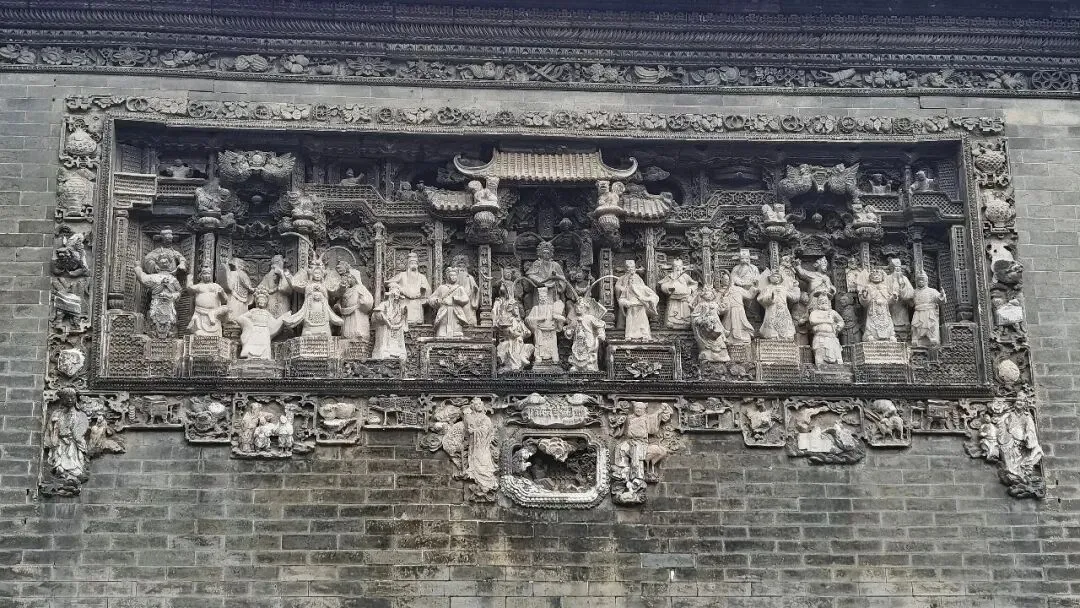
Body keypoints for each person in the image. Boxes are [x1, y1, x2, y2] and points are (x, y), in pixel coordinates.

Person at [134, 258, 182, 339]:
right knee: (155, 322)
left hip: (169, 306)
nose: (164, 263)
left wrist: (137, 267)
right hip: (157, 304)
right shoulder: (155, 277)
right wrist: (137, 268)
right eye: (162, 261)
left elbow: (179, 292)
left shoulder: (172, 279)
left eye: (166, 261)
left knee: (169, 324)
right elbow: (142, 278)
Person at [235, 287, 284, 359]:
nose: (261, 302)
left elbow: (274, 323)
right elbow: (240, 318)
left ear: (266, 302)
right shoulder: (253, 311)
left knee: (264, 344)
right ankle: (250, 355)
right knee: (252, 344)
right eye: (260, 300)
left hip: (264, 331)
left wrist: (283, 318)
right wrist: (248, 325)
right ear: (257, 301)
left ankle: (264, 356)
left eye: (263, 300)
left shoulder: (267, 313)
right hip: (254, 330)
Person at [615, 260, 659, 341]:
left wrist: (645, 299)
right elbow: (620, 295)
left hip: (641, 308)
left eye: (632, 267)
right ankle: (629, 336)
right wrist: (625, 296)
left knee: (642, 324)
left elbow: (653, 296)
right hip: (630, 308)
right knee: (630, 323)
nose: (632, 280)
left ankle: (644, 336)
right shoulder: (622, 279)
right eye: (628, 267)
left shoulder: (641, 285)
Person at [387, 252, 431, 324]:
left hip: (417, 303)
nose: (414, 265)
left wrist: (422, 293)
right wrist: (401, 289)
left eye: (415, 263)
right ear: (408, 265)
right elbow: (389, 283)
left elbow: (428, 291)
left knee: (417, 321)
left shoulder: (422, 277)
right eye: (411, 263)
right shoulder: (402, 275)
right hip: (404, 302)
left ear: (417, 265)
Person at [525, 286, 565, 366]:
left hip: (551, 329)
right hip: (539, 330)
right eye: (541, 297)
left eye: (544, 297)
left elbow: (558, 316)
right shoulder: (535, 308)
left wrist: (558, 319)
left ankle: (554, 357)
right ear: (538, 298)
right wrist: (538, 319)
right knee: (539, 345)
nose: (542, 298)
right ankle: (539, 357)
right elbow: (527, 319)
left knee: (552, 345)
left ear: (547, 298)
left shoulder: (551, 308)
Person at [565, 298, 606, 372]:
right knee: (576, 352)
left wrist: (601, 333)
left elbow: (599, 325)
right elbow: (571, 328)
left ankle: (590, 364)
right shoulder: (574, 319)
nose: (578, 309)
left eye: (581, 307)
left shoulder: (589, 318)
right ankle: (576, 366)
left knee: (589, 351)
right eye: (577, 307)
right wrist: (569, 332)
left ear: (585, 309)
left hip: (588, 338)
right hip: (577, 340)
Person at [429, 267, 472, 339]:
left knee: (457, 325)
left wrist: (457, 299)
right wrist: (437, 301)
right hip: (444, 310)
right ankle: (442, 333)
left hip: (456, 310)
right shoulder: (442, 288)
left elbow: (466, 299)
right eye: (451, 275)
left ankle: (456, 333)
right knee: (443, 325)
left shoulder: (459, 288)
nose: (453, 277)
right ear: (448, 277)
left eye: (455, 275)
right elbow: (431, 298)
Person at [186, 266, 229, 337]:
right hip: (200, 312)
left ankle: (212, 314)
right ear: (201, 275)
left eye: (208, 273)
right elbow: (189, 290)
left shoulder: (216, 286)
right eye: (204, 273)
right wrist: (189, 278)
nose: (206, 276)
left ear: (211, 275)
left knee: (226, 309)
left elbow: (225, 299)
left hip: (214, 314)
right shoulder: (199, 286)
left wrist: (222, 293)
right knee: (198, 332)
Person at [691, 286, 731, 363]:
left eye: (710, 294)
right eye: (707, 294)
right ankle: (708, 355)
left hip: (717, 325)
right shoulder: (701, 305)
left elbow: (723, 310)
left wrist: (725, 298)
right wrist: (702, 321)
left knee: (719, 340)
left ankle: (722, 355)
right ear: (703, 295)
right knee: (708, 342)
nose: (709, 296)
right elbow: (695, 316)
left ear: (713, 295)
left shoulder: (715, 304)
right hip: (706, 327)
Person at [757, 271, 798, 341]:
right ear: (770, 278)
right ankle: (772, 335)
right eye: (774, 276)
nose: (776, 278)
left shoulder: (784, 288)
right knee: (771, 321)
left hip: (783, 309)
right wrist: (770, 297)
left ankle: (786, 336)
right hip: (772, 308)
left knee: (785, 322)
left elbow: (794, 298)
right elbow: (760, 299)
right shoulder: (767, 288)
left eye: (778, 277)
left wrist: (796, 287)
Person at [370, 283, 409, 360]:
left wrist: (404, 314)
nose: (395, 298)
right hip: (386, 326)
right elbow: (376, 314)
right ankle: (385, 351)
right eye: (394, 295)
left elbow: (403, 317)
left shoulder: (400, 306)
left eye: (397, 294)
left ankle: (399, 351)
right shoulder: (384, 304)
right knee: (384, 328)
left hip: (397, 327)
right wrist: (385, 319)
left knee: (399, 333)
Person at [658, 258, 698, 329]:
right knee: (673, 310)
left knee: (685, 310)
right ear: (673, 267)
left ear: (682, 267)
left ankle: (686, 321)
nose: (678, 268)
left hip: (684, 298)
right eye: (676, 266)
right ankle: (671, 322)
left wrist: (690, 289)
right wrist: (667, 288)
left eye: (679, 266)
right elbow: (662, 284)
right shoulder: (670, 276)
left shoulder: (685, 276)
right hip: (673, 297)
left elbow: (695, 284)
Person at [807, 289, 845, 365]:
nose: (824, 302)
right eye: (821, 301)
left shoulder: (832, 312)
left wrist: (838, 326)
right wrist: (827, 320)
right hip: (820, 338)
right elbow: (812, 321)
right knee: (820, 358)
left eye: (825, 301)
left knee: (835, 359)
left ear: (828, 302)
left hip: (832, 338)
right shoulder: (815, 312)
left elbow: (841, 321)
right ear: (818, 302)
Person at [860, 268, 897, 341]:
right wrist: (865, 296)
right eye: (874, 275)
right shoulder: (868, 287)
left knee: (887, 322)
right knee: (871, 323)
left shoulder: (886, 287)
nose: (876, 277)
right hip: (873, 309)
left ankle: (889, 335)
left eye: (878, 275)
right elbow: (864, 303)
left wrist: (894, 298)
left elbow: (889, 301)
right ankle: (870, 335)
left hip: (884, 309)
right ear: (870, 277)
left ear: (882, 277)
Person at [910, 273, 946, 347]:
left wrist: (942, 295)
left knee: (930, 325)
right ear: (916, 282)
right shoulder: (914, 292)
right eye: (919, 280)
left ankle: (932, 338)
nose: (921, 282)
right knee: (917, 325)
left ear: (926, 281)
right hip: (918, 311)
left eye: (922, 280)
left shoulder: (932, 291)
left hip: (929, 311)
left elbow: (939, 300)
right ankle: (916, 338)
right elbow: (910, 302)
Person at [335, 273, 373, 340]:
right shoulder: (347, 289)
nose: (348, 279)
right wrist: (338, 305)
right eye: (348, 277)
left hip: (356, 312)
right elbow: (340, 299)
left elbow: (368, 299)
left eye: (350, 277)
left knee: (355, 329)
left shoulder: (360, 287)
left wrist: (363, 301)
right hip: (346, 312)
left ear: (355, 279)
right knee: (346, 332)